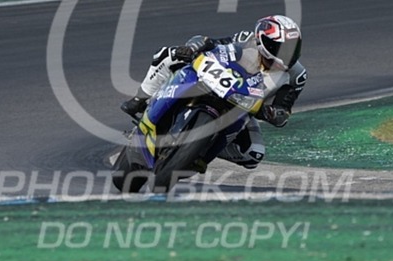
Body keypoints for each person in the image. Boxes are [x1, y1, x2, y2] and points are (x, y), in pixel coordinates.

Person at [120, 14, 307, 170]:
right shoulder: (246, 39)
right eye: (283, 49)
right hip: (216, 80)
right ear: (264, 41)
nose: (288, 55)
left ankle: (201, 151)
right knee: (170, 54)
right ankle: (141, 98)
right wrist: (196, 46)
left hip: (243, 108)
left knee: (253, 154)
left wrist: (269, 113)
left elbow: (283, 112)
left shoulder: (296, 76)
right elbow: (215, 45)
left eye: (293, 48)